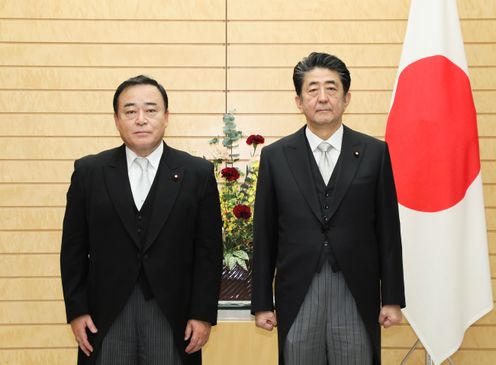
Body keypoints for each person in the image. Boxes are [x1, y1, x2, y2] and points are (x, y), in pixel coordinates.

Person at [251, 52, 406, 365]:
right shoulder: (275, 156)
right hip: (297, 291)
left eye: (332, 88)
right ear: (299, 100)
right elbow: (264, 235)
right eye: (312, 89)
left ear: (347, 98)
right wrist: (262, 303)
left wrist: (392, 299)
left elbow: (388, 231)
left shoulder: (375, 152)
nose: (322, 97)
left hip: (356, 289)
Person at [60, 75, 223, 365]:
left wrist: (202, 313)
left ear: (166, 116)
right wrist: (77, 309)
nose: (141, 119)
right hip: (105, 315)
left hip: (173, 315)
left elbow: (209, 252)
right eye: (130, 111)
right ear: (116, 119)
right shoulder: (89, 172)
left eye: (150, 110)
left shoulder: (196, 173)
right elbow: (73, 248)